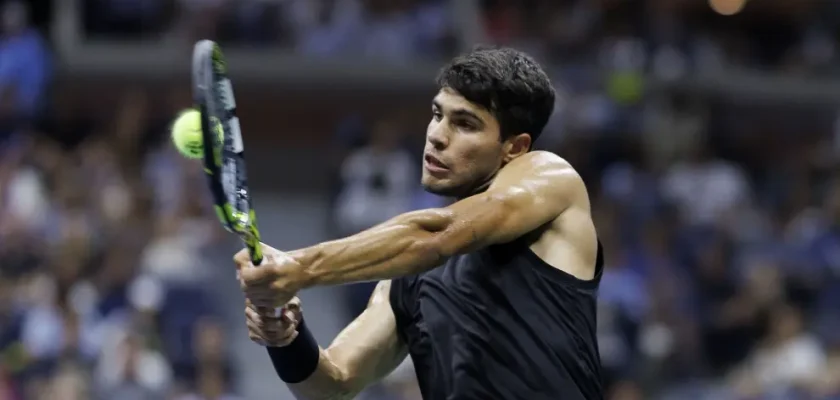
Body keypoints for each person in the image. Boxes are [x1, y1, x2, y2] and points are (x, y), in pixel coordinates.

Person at [235, 47, 604, 400]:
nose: (437, 135)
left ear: (514, 147)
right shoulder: (404, 277)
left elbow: (435, 236)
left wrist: (297, 268)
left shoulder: (553, 179)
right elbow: (333, 384)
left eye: (465, 124)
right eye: (437, 114)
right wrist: (285, 337)